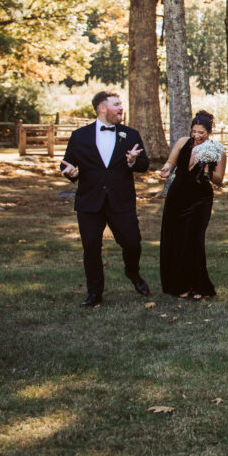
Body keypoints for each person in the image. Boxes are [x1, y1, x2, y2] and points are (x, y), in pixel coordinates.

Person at [61, 91, 151, 307]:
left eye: (121, 104)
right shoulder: (79, 136)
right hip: (90, 202)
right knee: (91, 247)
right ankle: (94, 293)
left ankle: (133, 272)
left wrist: (132, 162)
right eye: (116, 104)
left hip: (121, 200)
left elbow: (144, 165)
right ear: (102, 108)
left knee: (132, 243)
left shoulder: (130, 134)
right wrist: (71, 173)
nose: (121, 108)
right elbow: (67, 165)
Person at [157, 111, 224, 299]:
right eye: (194, 131)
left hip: (200, 198)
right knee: (176, 237)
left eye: (201, 132)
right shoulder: (182, 142)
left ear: (209, 132)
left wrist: (207, 171)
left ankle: (199, 285)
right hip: (178, 194)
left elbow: (219, 180)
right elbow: (171, 162)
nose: (196, 136)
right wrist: (166, 169)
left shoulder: (217, 149)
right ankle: (179, 285)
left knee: (194, 239)